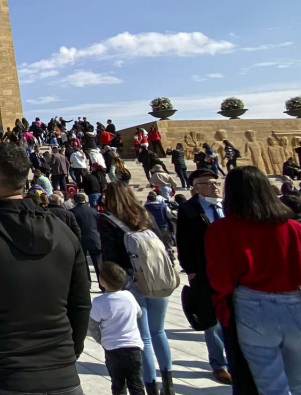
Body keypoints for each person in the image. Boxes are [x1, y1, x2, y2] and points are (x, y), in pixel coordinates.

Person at [0, 142, 91, 395]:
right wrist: (67, 357)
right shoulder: (64, 232)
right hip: (64, 377)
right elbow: (80, 305)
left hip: (2, 377)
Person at [206, 166, 301, 395]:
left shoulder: (221, 230)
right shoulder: (293, 227)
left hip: (251, 304)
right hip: (294, 302)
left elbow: (220, 280)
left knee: (270, 384)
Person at [99, 183, 174, 395]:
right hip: (155, 277)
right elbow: (163, 240)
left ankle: (151, 386)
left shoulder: (107, 219)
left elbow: (110, 256)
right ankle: (169, 385)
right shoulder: (144, 214)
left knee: (143, 337)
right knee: (159, 331)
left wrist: (109, 286)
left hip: (130, 280)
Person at [175, 168, 232, 385]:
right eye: (208, 183)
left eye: (216, 181)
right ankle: (219, 364)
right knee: (212, 320)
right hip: (205, 270)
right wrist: (191, 270)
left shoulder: (228, 206)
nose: (215, 186)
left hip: (232, 271)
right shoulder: (188, 209)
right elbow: (183, 242)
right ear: (196, 188)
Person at [89, 262, 146, 395]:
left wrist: (101, 340)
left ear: (102, 281)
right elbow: (139, 313)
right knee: (136, 383)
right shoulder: (129, 296)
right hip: (134, 347)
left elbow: (93, 326)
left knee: (118, 384)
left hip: (113, 349)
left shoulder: (99, 302)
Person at [71, 193, 103, 289]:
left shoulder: (72, 212)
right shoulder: (93, 211)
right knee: (97, 263)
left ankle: (87, 283)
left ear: (75, 201)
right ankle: (102, 284)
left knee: (83, 263)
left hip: (81, 240)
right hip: (94, 238)